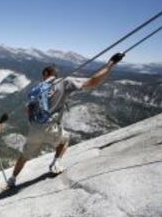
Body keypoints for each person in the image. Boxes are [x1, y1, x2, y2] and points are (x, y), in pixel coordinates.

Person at [7, 53, 125, 187]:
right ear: (55, 74)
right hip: (51, 128)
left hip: (34, 129)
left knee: (24, 156)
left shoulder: (37, 90)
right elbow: (93, 82)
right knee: (65, 139)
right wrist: (110, 64)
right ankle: (56, 163)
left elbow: (26, 110)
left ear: (45, 74)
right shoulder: (64, 82)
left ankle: (12, 179)